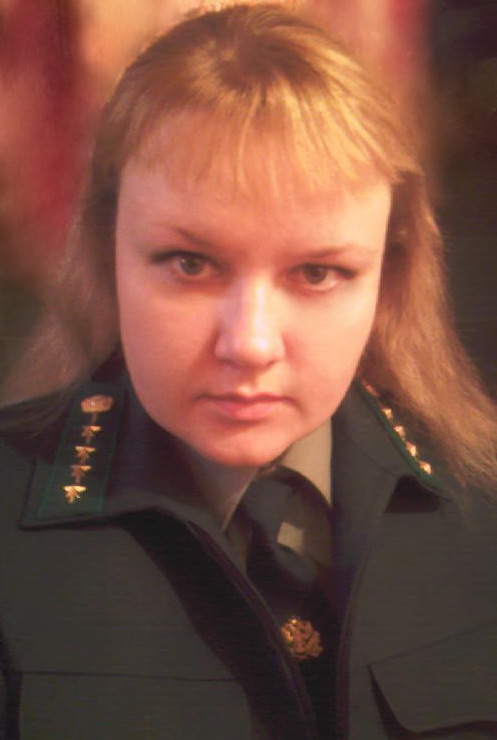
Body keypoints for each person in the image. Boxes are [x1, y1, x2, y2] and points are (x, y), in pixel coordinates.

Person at [1, 3, 497, 738]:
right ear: (108, 251)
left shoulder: (481, 509)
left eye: (317, 273)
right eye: (190, 265)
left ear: (388, 277)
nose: (251, 344)